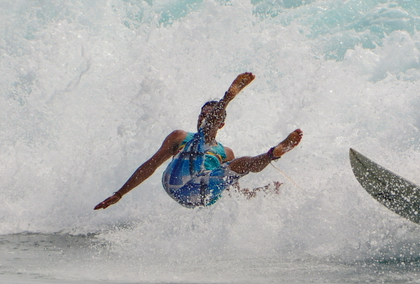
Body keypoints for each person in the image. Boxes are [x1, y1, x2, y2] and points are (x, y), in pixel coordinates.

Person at [94, 72, 302, 210]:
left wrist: (261, 192)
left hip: (202, 195)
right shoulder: (180, 137)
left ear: (222, 124)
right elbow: (151, 165)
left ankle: (272, 154)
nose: (205, 119)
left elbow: (232, 193)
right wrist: (120, 193)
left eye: (211, 117)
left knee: (241, 163)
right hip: (176, 184)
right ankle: (227, 98)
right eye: (202, 115)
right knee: (200, 139)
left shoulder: (225, 153)